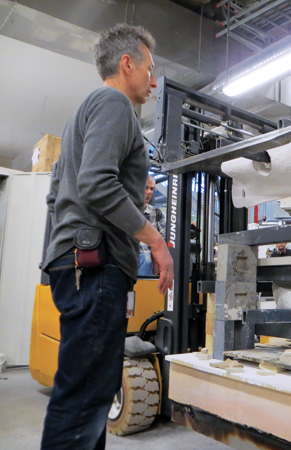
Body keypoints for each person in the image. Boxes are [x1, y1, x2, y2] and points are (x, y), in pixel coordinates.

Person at [40, 24, 174, 450]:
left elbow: (60, 194)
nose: (153, 82)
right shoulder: (114, 103)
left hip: (75, 261)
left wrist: (134, 192)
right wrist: (155, 240)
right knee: (85, 397)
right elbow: (97, 185)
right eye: (149, 70)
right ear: (126, 63)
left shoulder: (83, 114)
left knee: (89, 392)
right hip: (94, 267)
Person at [138, 175, 166, 276]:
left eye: (152, 189)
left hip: (149, 258)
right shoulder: (127, 212)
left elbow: (167, 236)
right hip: (129, 257)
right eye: (146, 188)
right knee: (146, 258)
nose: (150, 192)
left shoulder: (157, 213)